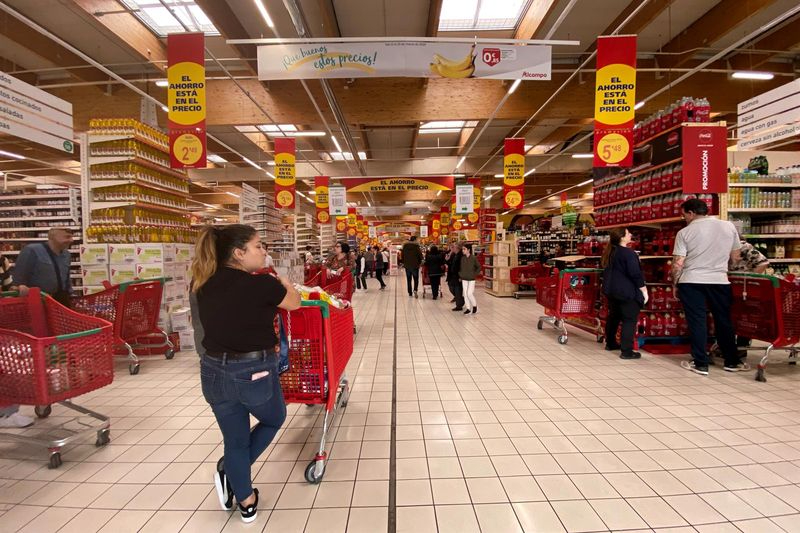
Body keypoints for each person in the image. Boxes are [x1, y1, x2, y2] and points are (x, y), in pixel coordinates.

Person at [192, 224, 301, 523]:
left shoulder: (202, 282)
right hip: (254, 371)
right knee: (274, 418)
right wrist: (286, 283)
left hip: (213, 371)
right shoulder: (262, 284)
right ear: (239, 253)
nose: (263, 251)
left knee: (235, 439)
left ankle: (246, 501)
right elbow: (294, 303)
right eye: (258, 246)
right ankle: (231, 471)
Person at [672, 198, 742, 375]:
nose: (684, 219)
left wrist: (675, 282)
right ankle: (731, 361)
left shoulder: (684, 232)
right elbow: (735, 257)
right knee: (723, 320)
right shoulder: (728, 226)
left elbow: (678, 262)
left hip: (692, 281)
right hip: (720, 280)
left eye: (684, 215)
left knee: (698, 321)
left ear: (691, 213)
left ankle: (701, 363)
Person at [601, 228, 648, 360]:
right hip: (626, 292)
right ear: (622, 237)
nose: (631, 235)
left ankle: (610, 343)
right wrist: (643, 289)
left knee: (614, 317)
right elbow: (635, 273)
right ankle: (626, 351)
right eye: (628, 233)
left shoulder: (610, 252)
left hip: (611, 290)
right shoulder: (628, 253)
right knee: (629, 320)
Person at [0, 255, 34, 429]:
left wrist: (17, 288)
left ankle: (7, 412)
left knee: (6, 369)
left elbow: (7, 285)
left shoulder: (2, 260)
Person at [728, 236, 769, 359]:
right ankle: (729, 345)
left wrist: (750, 279)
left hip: (745, 289)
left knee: (745, 316)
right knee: (732, 315)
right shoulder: (719, 245)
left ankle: (742, 346)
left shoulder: (743, 247)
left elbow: (763, 263)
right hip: (729, 286)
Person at [14, 227, 74, 308]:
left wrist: (70, 294)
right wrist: (19, 288)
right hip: (37, 302)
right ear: (53, 237)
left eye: (71, 237)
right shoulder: (32, 250)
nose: (71, 240)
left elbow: (66, 278)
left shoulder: (67, 255)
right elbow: (18, 279)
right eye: (67, 237)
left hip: (60, 302)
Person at [459, 243, 481, 314]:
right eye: (462, 249)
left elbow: (479, 267)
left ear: (468, 250)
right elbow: (461, 268)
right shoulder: (462, 258)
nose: (463, 250)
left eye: (464, 249)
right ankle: (468, 308)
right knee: (465, 294)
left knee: (469, 293)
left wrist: (474, 274)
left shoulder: (473, 258)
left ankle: (475, 306)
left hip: (471, 279)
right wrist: (460, 275)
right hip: (464, 278)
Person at [446, 243, 464, 311]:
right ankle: (461, 299)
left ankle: (459, 306)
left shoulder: (461, 256)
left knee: (457, 290)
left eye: (454, 247)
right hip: (452, 275)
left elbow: (462, 267)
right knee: (451, 287)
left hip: (458, 275)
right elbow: (450, 263)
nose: (452, 248)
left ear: (457, 248)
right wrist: (447, 260)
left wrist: (461, 276)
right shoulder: (454, 255)